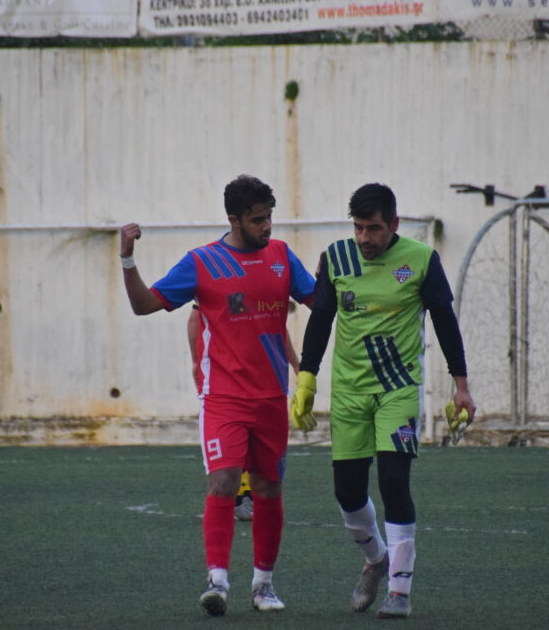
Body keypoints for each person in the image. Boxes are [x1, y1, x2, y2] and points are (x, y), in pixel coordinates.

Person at [120, 175, 315, 616]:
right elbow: (144, 305)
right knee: (224, 482)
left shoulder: (282, 257)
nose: (266, 226)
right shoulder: (203, 262)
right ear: (234, 219)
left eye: (269, 217)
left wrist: (335, 276)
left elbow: (320, 303)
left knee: (268, 488)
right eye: (257, 219)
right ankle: (218, 582)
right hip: (223, 397)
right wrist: (127, 259)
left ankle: (263, 585)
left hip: (272, 397)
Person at [291, 183, 476, 619]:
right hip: (349, 393)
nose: (364, 238)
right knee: (347, 492)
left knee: (394, 481)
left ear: (393, 224)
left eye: (373, 228)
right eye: (358, 228)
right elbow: (321, 319)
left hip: (398, 389)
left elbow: (445, 321)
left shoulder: (422, 260)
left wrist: (461, 386)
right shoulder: (335, 258)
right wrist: (306, 379)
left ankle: (399, 591)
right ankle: (376, 558)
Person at [187, 303, 301, 522]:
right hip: (226, 385)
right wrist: (195, 360)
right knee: (228, 450)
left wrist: (296, 364)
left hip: (265, 383)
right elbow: (195, 315)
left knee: (259, 455)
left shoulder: (267, 291)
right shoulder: (217, 286)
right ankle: (236, 496)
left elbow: (275, 327)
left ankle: (244, 495)